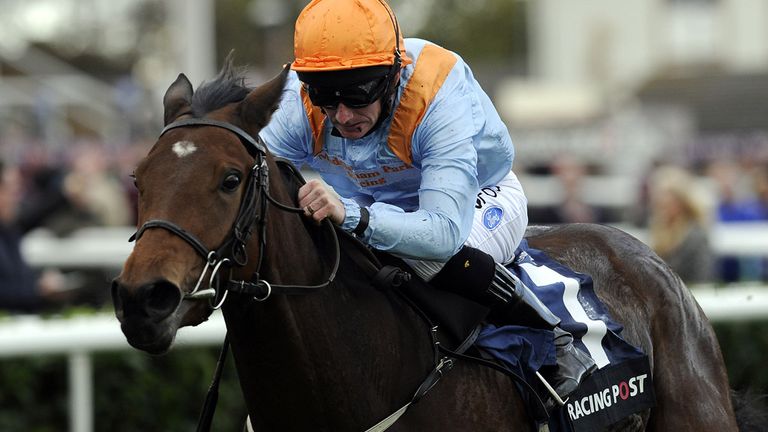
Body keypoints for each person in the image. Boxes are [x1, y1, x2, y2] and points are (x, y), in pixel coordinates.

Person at [259, 0, 595, 400]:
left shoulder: (436, 92)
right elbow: (251, 170)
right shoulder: (301, 100)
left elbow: (442, 234)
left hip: (477, 199)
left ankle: (554, 337)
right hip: (378, 205)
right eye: (327, 99)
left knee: (423, 255)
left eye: (357, 95)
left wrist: (351, 214)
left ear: (391, 76)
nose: (343, 116)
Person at [0, 160, 68, 312]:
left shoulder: (9, 229)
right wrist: (37, 290)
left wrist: (39, 284)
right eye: (12, 191)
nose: (17, 198)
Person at [648, 165, 715, 284]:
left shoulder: (696, 235)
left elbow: (702, 278)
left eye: (667, 203)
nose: (662, 206)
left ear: (681, 202)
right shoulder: (659, 230)